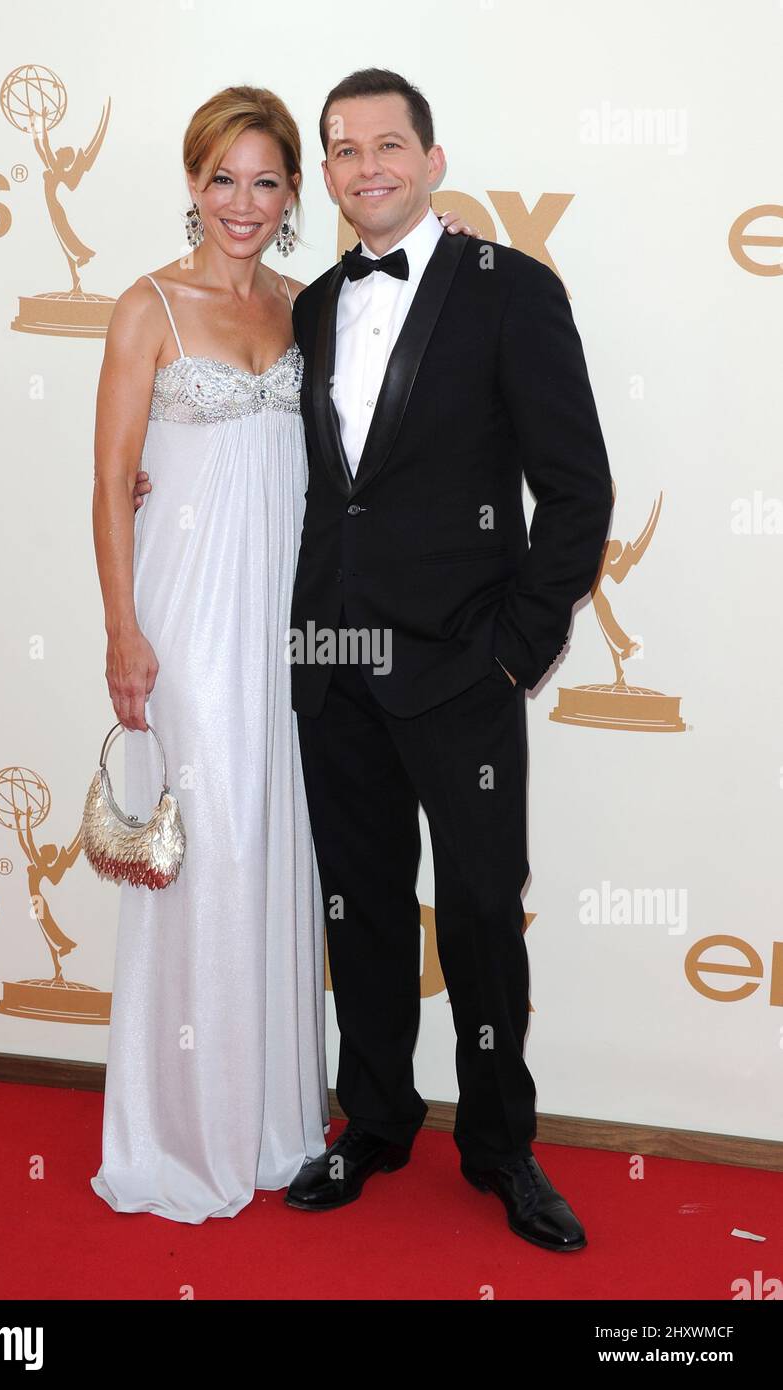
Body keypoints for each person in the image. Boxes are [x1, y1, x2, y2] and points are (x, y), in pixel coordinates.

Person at [280, 69, 613, 1253]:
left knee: (477, 913)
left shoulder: (510, 289)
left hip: (462, 668)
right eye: (342, 150)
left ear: (430, 156)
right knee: (359, 905)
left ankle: (501, 1147)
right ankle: (372, 1118)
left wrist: (513, 652)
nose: (365, 167)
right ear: (325, 174)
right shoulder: (312, 305)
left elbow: (578, 490)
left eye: (388, 144)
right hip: (332, 659)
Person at [88, 85, 329, 1223]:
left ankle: (274, 1116)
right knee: (210, 848)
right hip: (187, 622)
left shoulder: (304, 307)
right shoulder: (148, 307)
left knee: (274, 845)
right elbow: (108, 483)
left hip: (289, 622)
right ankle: (183, 1125)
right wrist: (123, 630)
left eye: (265, 180)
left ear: (293, 195)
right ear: (193, 182)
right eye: (222, 177)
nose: (241, 201)